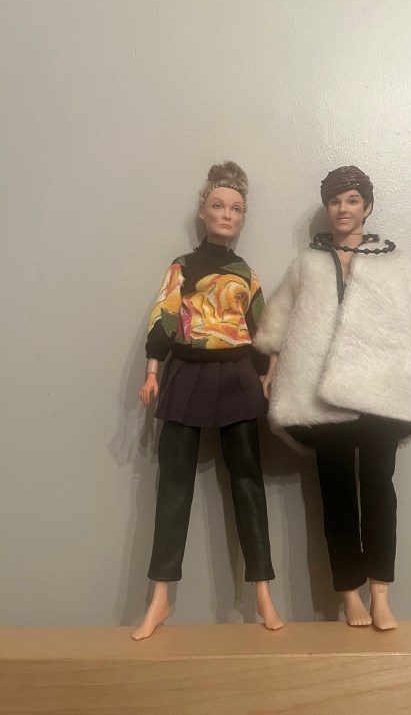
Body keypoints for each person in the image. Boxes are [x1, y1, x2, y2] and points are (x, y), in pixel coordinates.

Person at [256, 165, 411, 630]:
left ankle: (381, 593)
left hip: (380, 387)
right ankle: (349, 594)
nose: (343, 208)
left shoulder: (391, 260)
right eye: (335, 200)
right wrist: (272, 367)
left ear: (368, 207)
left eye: (353, 200)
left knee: (380, 489)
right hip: (319, 393)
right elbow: (281, 316)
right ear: (327, 207)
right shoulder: (307, 262)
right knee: (336, 494)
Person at [133, 161, 283, 640]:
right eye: (218, 205)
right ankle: (160, 597)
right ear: (203, 211)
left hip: (238, 375)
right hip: (185, 373)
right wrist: (152, 371)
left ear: (243, 218)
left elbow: (263, 332)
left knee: (247, 481)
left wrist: (268, 376)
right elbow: (164, 317)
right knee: (174, 484)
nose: (226, 214)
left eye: (235, 208)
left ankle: (263, 591)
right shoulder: (182, 267)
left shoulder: (246, 274)